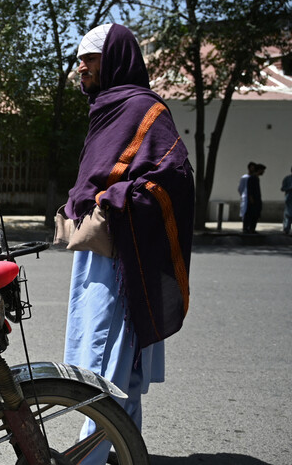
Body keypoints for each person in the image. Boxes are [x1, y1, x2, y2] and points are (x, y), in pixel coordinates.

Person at [63, 23, 194, 464]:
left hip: (125, 251)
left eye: (90, 59)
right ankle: (125, 450)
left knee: (108, 360)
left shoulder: (143, 108)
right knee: (113, 357)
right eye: (79, 58)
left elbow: (172, 176)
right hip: (98, 249)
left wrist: (114, 200)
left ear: (115, 60)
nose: (80, 66)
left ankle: (90, 457)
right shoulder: (105, 110)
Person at [243, 163, 266, 234]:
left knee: (255, 214)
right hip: (253, 200)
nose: (263, 172)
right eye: (262, 170)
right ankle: (248, 228)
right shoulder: (252, 178)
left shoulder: (256, 178)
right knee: (251, 214)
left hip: (256, 199)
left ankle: (252, 228)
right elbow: (250, 190)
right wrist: (251, 198)